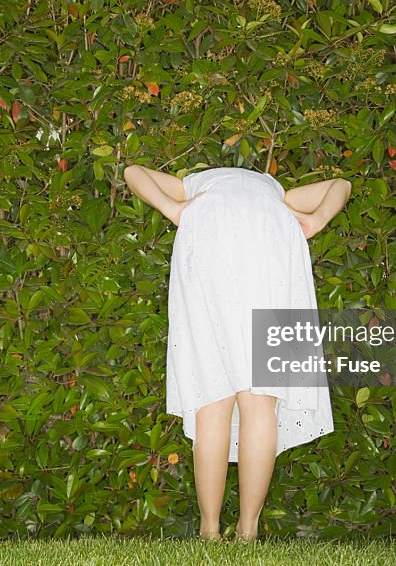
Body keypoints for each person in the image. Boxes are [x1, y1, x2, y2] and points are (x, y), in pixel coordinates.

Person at [122, 164, 352, 542]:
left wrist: (173, 208)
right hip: (270, 254)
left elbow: (133, 171)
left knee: (213, 399)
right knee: (260, 400)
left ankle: (209, 529)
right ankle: (248, 529)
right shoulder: (276, 190)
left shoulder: (194, 184)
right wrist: (314, 220)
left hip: (210, 248)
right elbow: (340, 183)